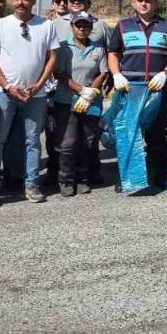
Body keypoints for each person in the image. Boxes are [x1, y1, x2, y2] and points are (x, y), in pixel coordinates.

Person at [0, 0, 58, 205]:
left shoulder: (46, 25)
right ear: (11, 1)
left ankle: (32, 185)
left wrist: (40, 84)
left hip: (35, 95)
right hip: (4, 93)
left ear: (33, 1)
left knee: (33, 141)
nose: (20, 2)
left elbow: (52, 57)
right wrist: (7, 86)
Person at [107, 0, 167, 191]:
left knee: (159, 133)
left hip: (157, 88)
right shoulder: (123, 26)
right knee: (128, 134)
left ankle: (158, 177)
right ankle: (127, 179)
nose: (144, 3)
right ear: (133, 1)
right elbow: (113, 52)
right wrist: (116, 75)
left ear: (156, 2)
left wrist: (166, 73)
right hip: (130, 89)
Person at [49, 13, 108, 197]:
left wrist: (89, 93)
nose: (82, 28)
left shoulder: (98, 48)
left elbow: (102, 72)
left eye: (86, 25)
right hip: (67, 100)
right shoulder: (64, 48)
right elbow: (59, 73)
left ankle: (83, 178)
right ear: (72, 27)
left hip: (91, 101)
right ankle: (66, 179)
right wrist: (80, 90)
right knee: (68, 143)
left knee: (87, 141)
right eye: (78, 25)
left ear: (91, 28)